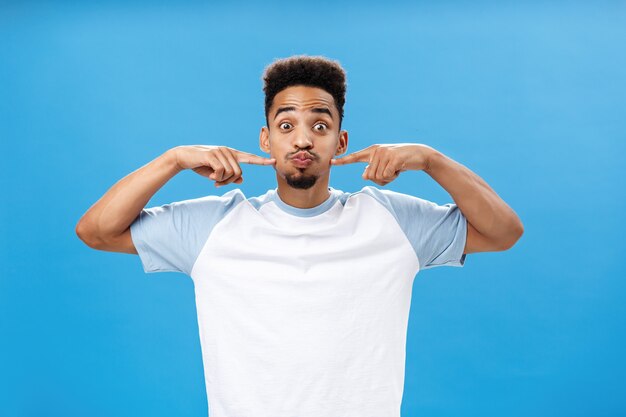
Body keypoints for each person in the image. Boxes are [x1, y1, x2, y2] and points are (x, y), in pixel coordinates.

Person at [76, 55, 523, 417]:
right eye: (286, 125)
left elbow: (503, 231)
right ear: (266, 139)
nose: (304, 140)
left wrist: (430, 160)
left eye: (321, 125)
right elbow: (96, 231)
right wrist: (172, 160)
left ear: (341, 142)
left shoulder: (390, 220)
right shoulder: (216, 226)